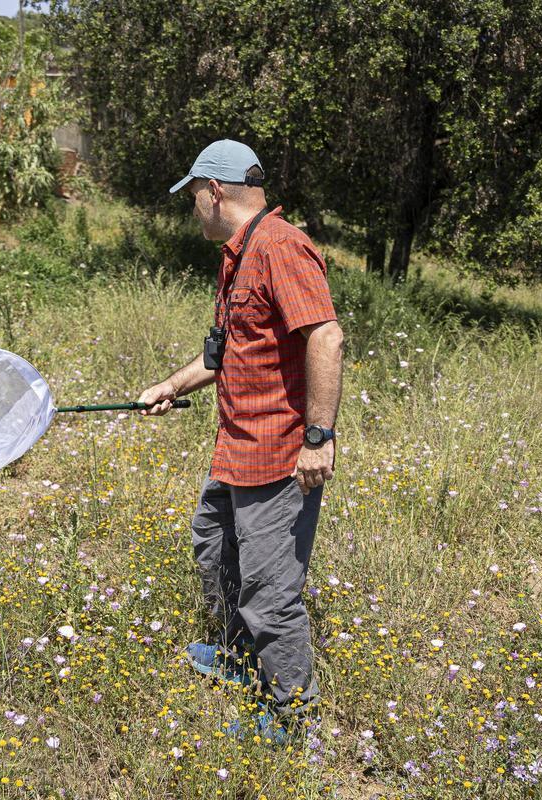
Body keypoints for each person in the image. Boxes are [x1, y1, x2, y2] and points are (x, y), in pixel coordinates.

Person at [137, 139, 343, 736]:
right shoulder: (239, 253)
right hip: (237, 450)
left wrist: (319, 438)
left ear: (216, 191)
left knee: (269, 587)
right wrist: (170, 386)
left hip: (279, 455)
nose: (193, 207)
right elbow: (225, 354)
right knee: (212, 541)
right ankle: (237, 656)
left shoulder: (281, 247)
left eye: (194, 195)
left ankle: (288, 712)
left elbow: (326, 338)